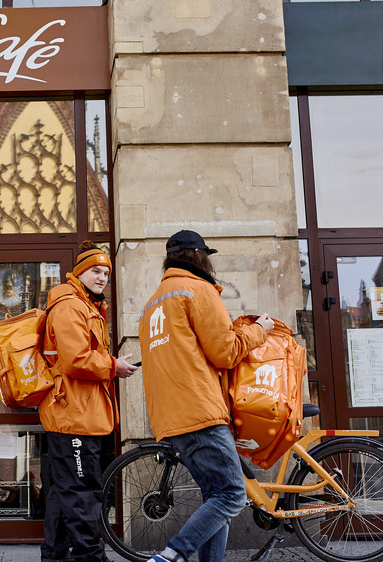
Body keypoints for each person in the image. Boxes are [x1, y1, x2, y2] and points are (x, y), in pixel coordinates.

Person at [137, 230, 273, 562]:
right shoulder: (198, 290)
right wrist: (259, 330)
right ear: (200, 257)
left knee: (215, 495)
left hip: (170, 417)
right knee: (230, 495)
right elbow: (225, 352)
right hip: (199, 410)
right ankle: (172, 555)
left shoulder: (152, 303)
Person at [39, 241, 139, 562]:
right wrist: (114, 365)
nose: (102, 277)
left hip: (78, 414)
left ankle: (54, 557)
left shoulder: (88, 307)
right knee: (82, 493)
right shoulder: (71, 307)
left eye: (106, 273)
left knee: (62, 492)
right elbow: (75, 360)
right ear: (80, 272)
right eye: (96, 271)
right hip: (74, 416)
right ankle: (90, 558)